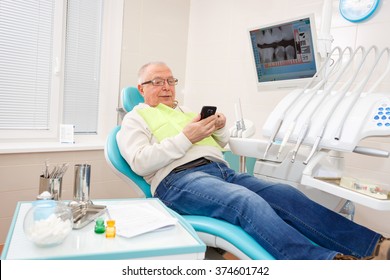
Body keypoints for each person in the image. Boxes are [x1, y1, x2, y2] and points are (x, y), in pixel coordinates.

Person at [117, 61, 389, 260]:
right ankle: (323, 263)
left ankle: (375, 247)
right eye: (157, 82)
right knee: (244, 201)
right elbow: (140, 162)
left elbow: (221, 143)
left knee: (286, 194)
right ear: (141, 88)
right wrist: (186, 137)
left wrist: (220, 125)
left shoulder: (187, 112)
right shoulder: (134, 119)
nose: (166, 87)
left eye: (170, 81)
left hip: (221, 172)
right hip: (178, 180)